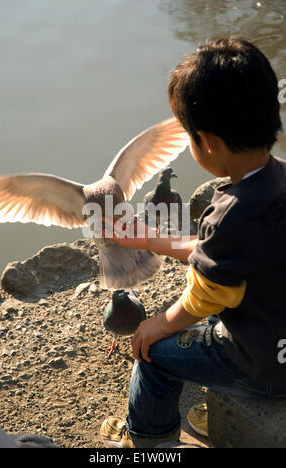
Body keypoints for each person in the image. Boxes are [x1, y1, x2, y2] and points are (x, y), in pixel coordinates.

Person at [100, 36, 286, 448]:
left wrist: (157, 325)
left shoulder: (231, 212)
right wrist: (152, 240)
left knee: (155, 352)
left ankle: (149, 442)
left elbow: (209, 295)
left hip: (266, 367)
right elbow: (226, 254)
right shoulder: (278, 180)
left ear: (208, 142)